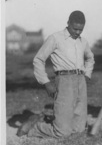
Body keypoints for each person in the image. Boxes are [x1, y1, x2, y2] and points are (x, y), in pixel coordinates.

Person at [18, 10, 95, 138]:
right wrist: (46, 82)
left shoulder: (83, 41)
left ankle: (61, 124)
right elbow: (38, 59)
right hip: (64, 80)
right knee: (62, 133)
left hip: (81, 81)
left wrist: (87, 74)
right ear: (68, 23)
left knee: (79, 131)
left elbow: (90, 58)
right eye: (75, 29)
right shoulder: (55, 38)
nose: (77, 32)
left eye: (80, 30)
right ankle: (35, 126)